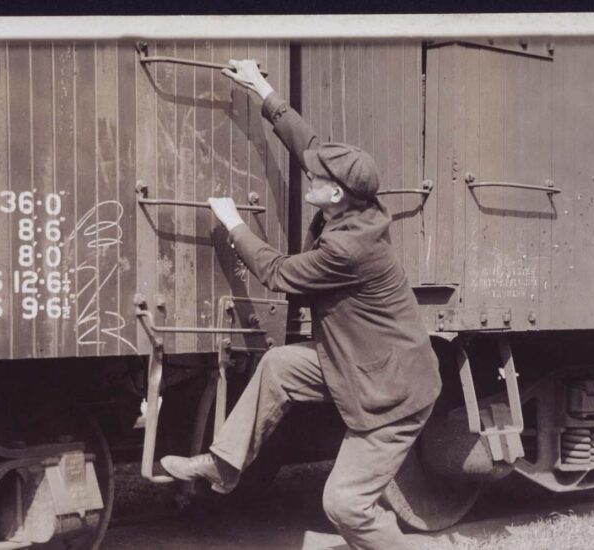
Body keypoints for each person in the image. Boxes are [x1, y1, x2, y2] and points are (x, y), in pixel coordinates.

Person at [160, 59, 441, 550]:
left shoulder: (348, 249)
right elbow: (310, 145)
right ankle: (224, 466)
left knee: (345, 505)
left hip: (391, 394)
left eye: (315, 178)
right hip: (357, 363)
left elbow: (277, 273)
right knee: (281, 365)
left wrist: (234, 223)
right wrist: (261, 88)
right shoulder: (358, 202)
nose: (306, 173)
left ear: (333, 193)